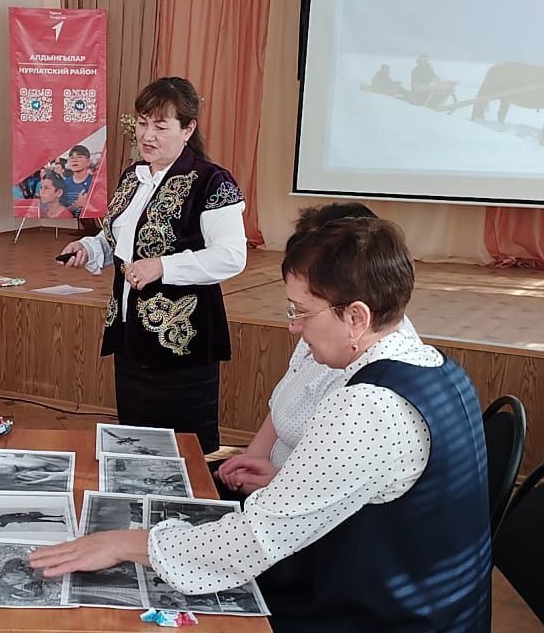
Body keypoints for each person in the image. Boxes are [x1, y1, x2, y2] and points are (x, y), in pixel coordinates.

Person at [32, 216, 491, 633]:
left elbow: (254, 540)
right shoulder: (432, 365)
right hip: (413, 623)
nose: (293, 326)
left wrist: (129, 544)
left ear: (356, 316)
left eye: (301, 312)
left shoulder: (370, 405)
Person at [58, 77, 247, 453]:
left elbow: (231, 256)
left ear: (188, 128)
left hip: (183, 342)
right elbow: (120, 241)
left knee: (187, 447)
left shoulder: (212, 181)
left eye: (161, 126)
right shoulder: (133, 176)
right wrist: (89, 247)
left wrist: (162, 266)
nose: (148, 135)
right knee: (135, 442)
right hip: (131, 335)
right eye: (143, 123)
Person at [215, 203, 419, 498]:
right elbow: (283, 403)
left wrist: (278, 484)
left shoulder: (369, 397)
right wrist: (255, 458)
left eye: (302, 310)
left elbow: (279, 526)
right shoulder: (327, 328)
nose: (293, 326)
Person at [61, 144, 96, 216]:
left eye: (79, 157)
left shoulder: (95, 183)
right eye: (72, 157)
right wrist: (77, 204)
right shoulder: (64, 184)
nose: (75, 160)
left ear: (88, 162)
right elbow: (61, 213)